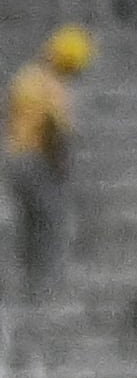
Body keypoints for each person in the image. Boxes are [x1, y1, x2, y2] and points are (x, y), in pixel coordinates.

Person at [8, 23, 87, 297]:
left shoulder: (25, 77)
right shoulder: (53, 86)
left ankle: (26, 283)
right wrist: (62, 165)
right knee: (50, 223)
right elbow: (58, 131)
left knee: (29, 224)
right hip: (37, 161)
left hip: (15, 157)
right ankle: (44, 288)